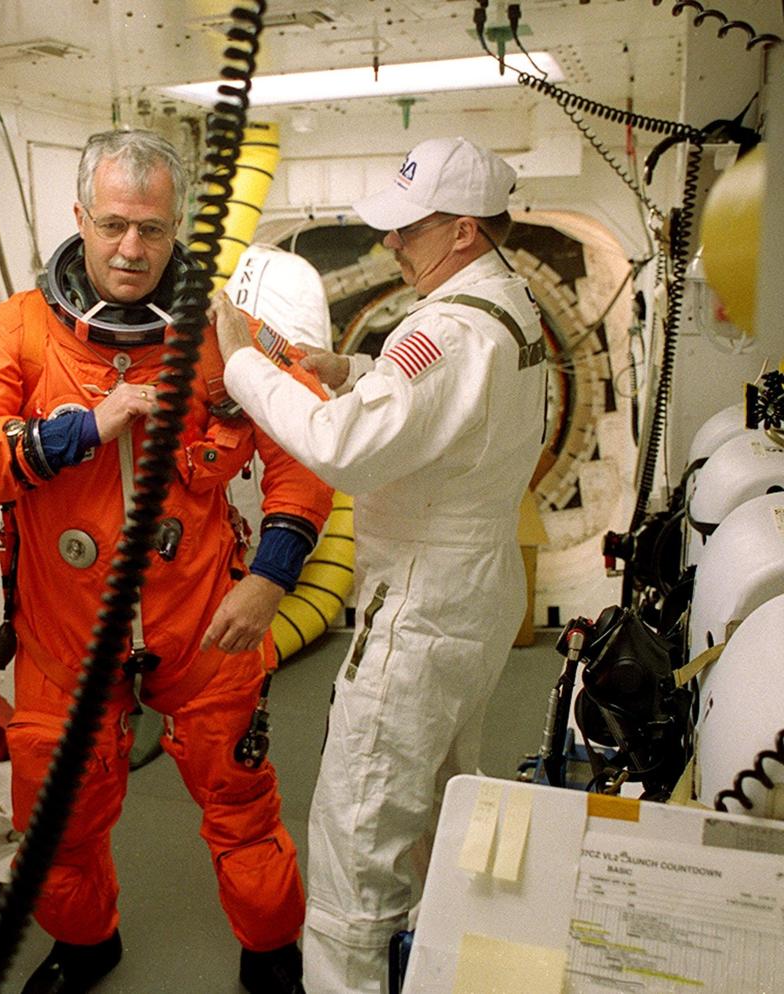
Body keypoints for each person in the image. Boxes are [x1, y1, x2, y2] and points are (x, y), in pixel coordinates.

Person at [0, 130, 333, 994]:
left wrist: (274, 574)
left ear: (179, 227)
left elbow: (308, 446)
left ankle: (271, 956)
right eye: (112, 226)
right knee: (59, 822)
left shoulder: (225, 334)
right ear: (80, 218)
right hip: (66, 632)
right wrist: (76, 429)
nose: (131, 250)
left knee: (244, 808)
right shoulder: (20, 332)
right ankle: (86, 945)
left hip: (202, 621)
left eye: (152, 229)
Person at [213, 136, 548, 994]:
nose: (392, 244)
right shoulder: (508, 307)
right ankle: (432, 962)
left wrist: (244, 362)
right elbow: (453, 408)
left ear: (465, 230)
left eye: (408, 229)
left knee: (356, 839)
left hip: (422, 602)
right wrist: (352, 368)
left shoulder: (442, 328)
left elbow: (345, 447)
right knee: (437, 795)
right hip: (475, 588)